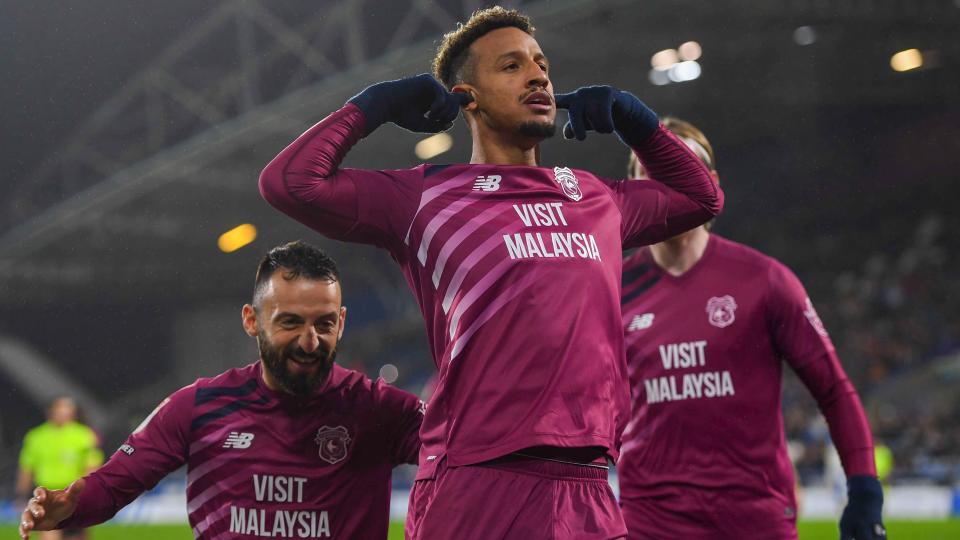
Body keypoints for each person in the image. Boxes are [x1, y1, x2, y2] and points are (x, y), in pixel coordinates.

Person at [259, 6, 723, 539]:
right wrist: (375, 106)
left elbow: (701, 196)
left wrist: (636, 122)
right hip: (478, 486)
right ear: (465, 96)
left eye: (541, 63)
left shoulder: (596, 198)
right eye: (511, 65)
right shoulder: (424, 196)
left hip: (590, 489)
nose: (538, 75)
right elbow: (288, 183)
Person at [20, 241, 424, 540]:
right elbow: (114, 483)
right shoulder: (198, 406)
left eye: (324, 323)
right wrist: (71, 505)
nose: (310, 341)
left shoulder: (380, 409)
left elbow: (469, 450)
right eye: (289, 323)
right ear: (252, 321)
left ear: (343, 320)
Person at [617, 118, 885, 540]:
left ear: (711, 181)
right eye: (649, 169)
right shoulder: (608, 290)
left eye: (681, 164)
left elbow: (833, 389)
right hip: (648, 522)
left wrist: (865, 490)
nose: (665, 178)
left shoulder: (764, 281)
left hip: (754, 520)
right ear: (630, 190)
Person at [17, 397, 103, 540]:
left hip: (73, 494)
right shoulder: (36, 437)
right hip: (46, 494)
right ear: (51, 411)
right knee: (48, 534)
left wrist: (87, 492)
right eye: (60, 408)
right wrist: (21, 494)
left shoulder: (84, 435)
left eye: (68, 408)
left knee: (76, 535)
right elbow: (26, 468)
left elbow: (92, 466)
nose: (64, 412)